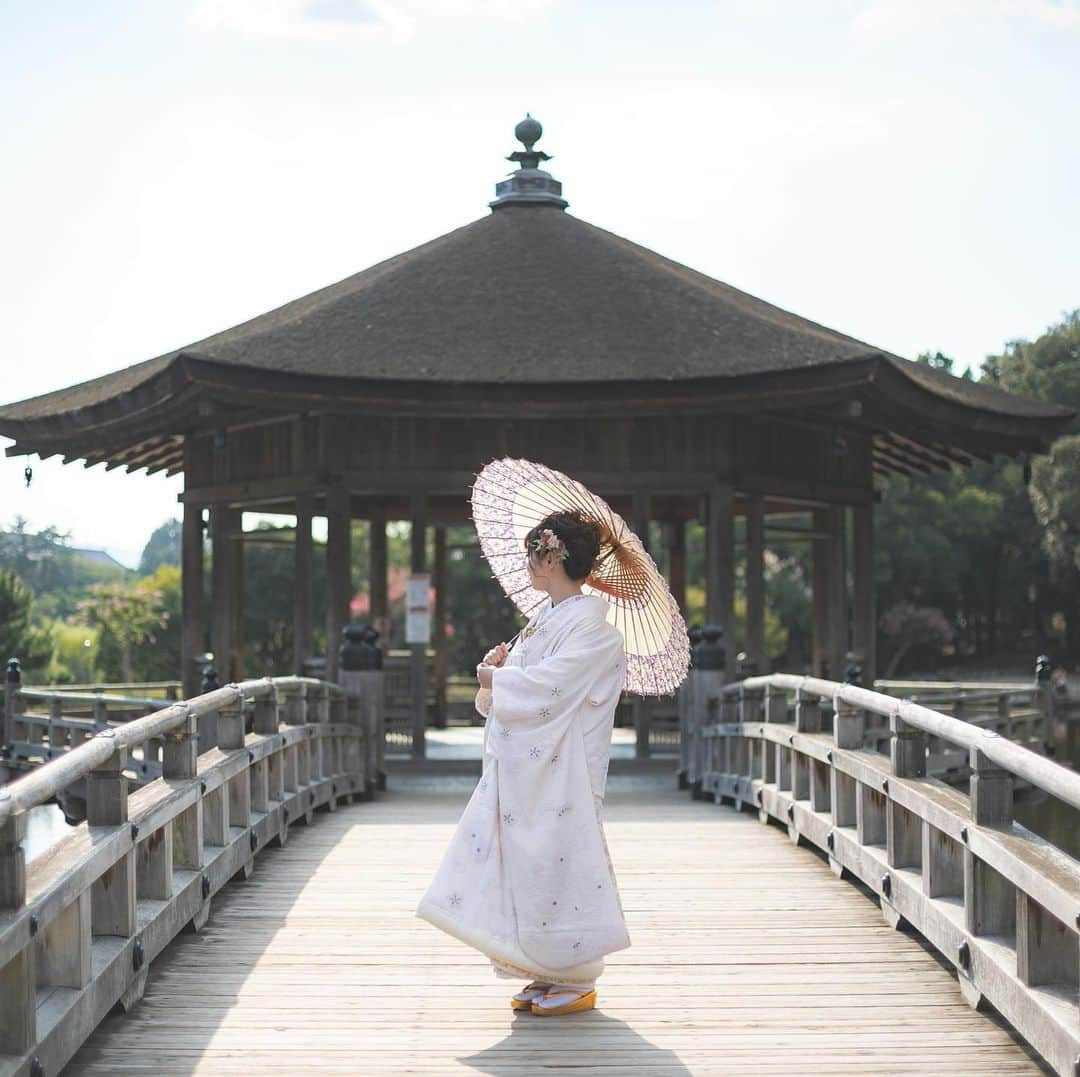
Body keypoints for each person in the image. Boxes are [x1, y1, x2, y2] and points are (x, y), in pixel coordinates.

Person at [415, 509, 631, 1016]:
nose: (530, 563)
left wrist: (499, 681)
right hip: (531, 766)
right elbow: (530, 684)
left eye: (537, 553)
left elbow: (551, 689)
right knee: (528, 865)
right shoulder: (544, 621)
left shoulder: (597, 633)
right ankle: (543, 966)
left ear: (555, 559)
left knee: (562, 865)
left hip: (565, 770)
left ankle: (575, 974)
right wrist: (501, 670)